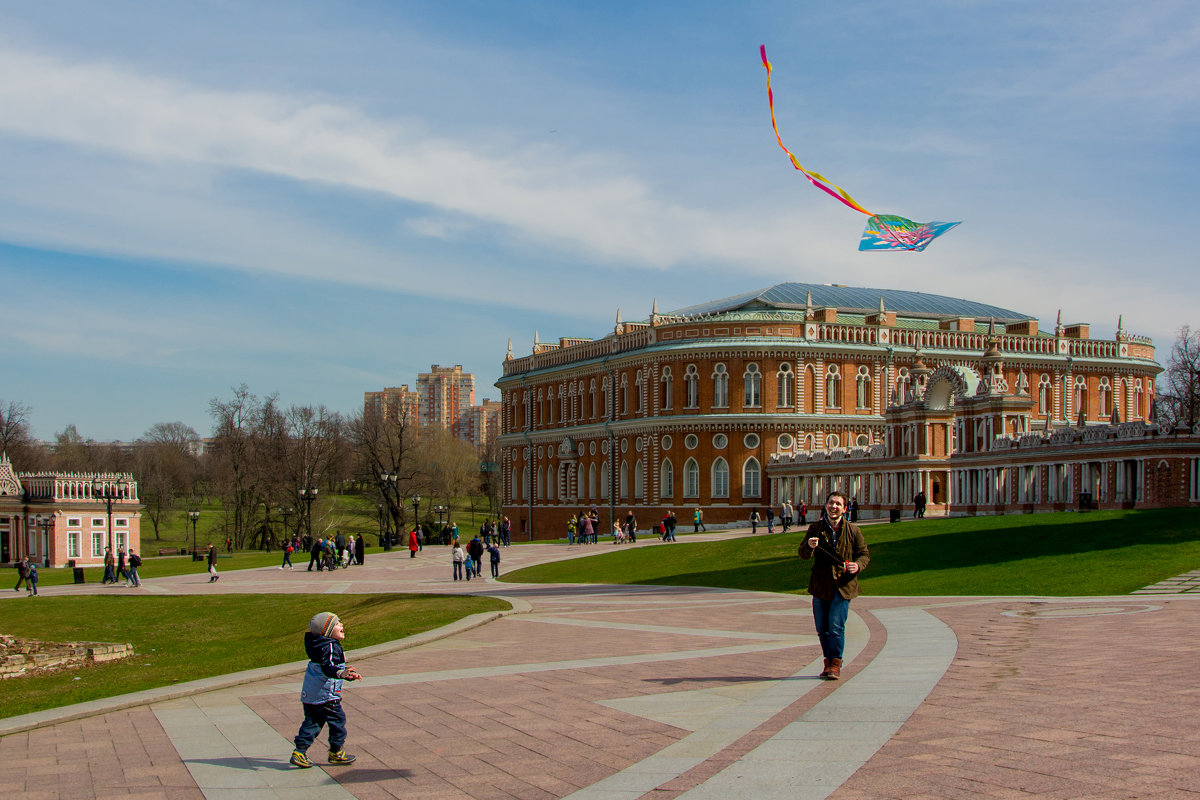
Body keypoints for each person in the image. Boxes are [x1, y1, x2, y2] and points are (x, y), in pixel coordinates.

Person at [798, 491, 870, 681]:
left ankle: (835, 664)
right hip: (820, 585)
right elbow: (803, 554)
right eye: (831, 503)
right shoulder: (815, 528)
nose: (834, 507)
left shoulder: (853, 531)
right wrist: (809, 546)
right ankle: (828, 662)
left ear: (845, 509)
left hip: (843, 585)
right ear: (826, 506)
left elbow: (864, 555)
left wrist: (858, 566)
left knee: (836, 625)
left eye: (838, 504)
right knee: (822, 628)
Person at [290, 612, 361, 768]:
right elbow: (328, 667)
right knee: (338, 721)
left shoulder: (318, 645)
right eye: (337, 624)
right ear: (327, 631)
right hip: (326, 695)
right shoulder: (329, 646)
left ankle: (299, 751)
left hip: (311, 694)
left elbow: (328, 667)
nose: (341, 625)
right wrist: (341, 673)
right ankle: (336, 752)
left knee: (313, 722)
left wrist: (345, 675)